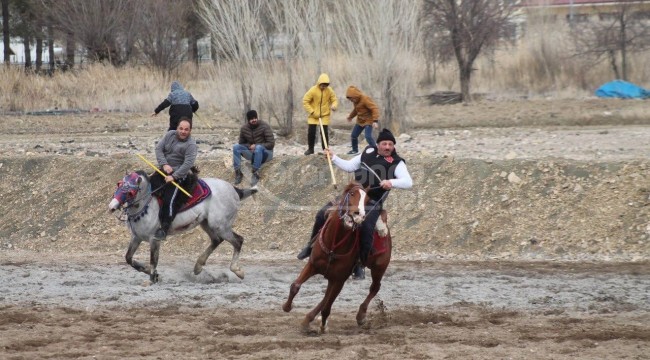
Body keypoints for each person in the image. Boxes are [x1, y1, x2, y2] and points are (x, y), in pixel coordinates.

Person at [297, 128, 412, 279]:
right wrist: (334, 157)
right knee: (321, 214)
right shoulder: (368, 151)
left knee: (365, 227)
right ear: (378, 144)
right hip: (353, 195)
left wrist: (391, 182)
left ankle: (360, 263)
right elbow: (350, 166)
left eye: (390, 144)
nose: (387, 147)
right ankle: (311, 247)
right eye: (384, 144)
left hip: (371, 200)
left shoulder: (397, 163)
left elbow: (408, 182)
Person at [150, 117, 198, 240]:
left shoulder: (191, 145)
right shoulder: (170, 134)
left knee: (169, 199)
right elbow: (158, 149)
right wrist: (164, 164)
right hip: (164, 169)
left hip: (180, 175)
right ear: (177, 128)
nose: (183, 131)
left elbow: (188, 164)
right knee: (147, 187)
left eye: (186, 129)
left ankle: (164, 228)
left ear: (190, 131)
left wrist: (174, 176)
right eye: (181, 128)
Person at [232, 110, 275, 187]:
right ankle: (238, 173)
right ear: (248, 120)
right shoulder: (244, 128)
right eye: (252, 119)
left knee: (258, 147)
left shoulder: (264, 126)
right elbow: (241, 143)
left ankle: (255, 173)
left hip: (267, 154)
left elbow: (271, 143)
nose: (254, 120)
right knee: (236, 147)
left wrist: (257, 145)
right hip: (254, 154)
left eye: (255, 118)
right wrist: (249, 146)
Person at [302, 73, 338, 155]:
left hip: (324, 115)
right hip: (313, 115)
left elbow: (334, 99)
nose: (323, 87)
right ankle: (310, 149)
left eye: (325, 85)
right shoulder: (313, 90)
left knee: (324, 133)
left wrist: (334, 106)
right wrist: (312, 111)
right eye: (322, 85)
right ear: (319, 83)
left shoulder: (329, 90)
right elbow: (305, 101)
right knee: (311, 132)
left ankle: (325, 149)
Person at [345, 85, 380, 155]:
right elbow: (356, 110)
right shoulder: (355, 102)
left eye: (352, 99)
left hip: (368, 121)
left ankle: (376, 151)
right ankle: (355, 150)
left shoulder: (365, 99)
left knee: (368, 136)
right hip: (360, 121)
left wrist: (375, 121)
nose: (351, 101)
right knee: (354, 135)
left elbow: (374, 108)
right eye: (350, 100)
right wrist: (350, 117)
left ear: (356, 96)